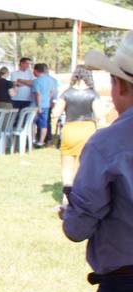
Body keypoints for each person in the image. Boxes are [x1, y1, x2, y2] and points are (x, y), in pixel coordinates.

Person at [61, 31, 133, 292]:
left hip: (126, 290)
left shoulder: (108, 144)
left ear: (119, 85)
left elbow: (78, 227)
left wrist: (70, 212)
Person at [52, 65, 101, 204]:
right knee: (82, 164)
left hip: (70, 129)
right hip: (87, 129)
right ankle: (80, 196)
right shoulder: (93, 94)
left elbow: (55, 113)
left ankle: (66, 198)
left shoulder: (67, 93)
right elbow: (99, 115)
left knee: (66, 165)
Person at [32, 63, 57, 146]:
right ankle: (41, 141)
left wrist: (39, 106)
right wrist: (48, 100)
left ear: (36, 70)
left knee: (32, 123)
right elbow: (52, 92)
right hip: (46, 104)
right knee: (44, 124)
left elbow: (38, 94)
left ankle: (33, 139)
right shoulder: (51, 80)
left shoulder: (36, 81)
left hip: (37, 106)